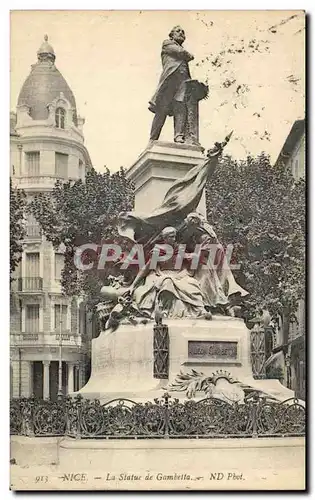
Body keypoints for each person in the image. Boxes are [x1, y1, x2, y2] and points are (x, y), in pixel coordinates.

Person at [128, 226, 211, 319]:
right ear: (165, 238)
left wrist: (201, 249)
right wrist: (133, 285)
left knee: (193, 284)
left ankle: (200, 310)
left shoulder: (179, 248)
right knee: (167, 282)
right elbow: (146, 268)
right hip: (163, 274)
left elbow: (193, 258)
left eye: (174, 236)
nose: (174, 239)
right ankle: (164, 311)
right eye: (171, 237)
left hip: (179, 275)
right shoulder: (158, 251)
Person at [149, 26, 194, 143]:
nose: (181, 33)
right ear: (171, 35)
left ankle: (179, 135)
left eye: (183, 32)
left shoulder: (178, 48)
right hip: (170, 81)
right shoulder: (167, 44)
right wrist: (188, 55)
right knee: (161, 110)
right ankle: (153, 138)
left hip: (183, 81)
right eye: (178, 31)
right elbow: (182, 53)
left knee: (180, 106)